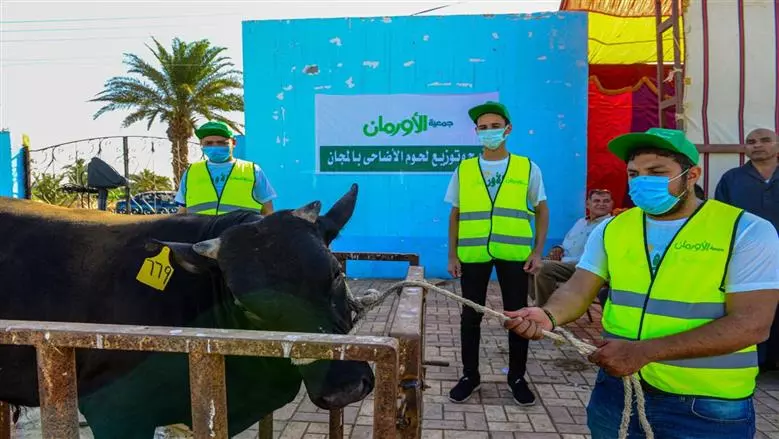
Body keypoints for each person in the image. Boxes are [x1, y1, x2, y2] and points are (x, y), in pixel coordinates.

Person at [504, 127, 779, 438]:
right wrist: (548, 315)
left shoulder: (746, 231)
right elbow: (579, 288)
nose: (642, 181)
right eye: (634, 174)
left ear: (692, 175)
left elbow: (752, 324)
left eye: (657, 172)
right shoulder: (613, 228)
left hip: (706, 404)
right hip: (617, 390)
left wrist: (645, 352)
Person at [444, 100, 549, 406]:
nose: (489, 132)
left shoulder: (527, 167)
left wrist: (538, 251)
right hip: (473, 254)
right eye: (483, 128)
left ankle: (517, 378)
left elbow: (542, 210)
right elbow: (455, 214)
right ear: (476, 132)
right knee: (470, 316)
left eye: (495, 126)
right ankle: (470, 376)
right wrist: (452, 255)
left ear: (508, 129)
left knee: (517, 317)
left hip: (515, 254)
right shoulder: (464, 169)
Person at [715, 128, 779, 371]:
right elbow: (721, 219)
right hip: (747, 257)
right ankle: (755, 362)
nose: (757, 145)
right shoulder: (732, 179)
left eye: (765, 140)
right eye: (751, 142)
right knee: (751, 308)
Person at [175, 121, 276, 216]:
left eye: (222, 142)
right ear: (201, 144)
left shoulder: (253, 170)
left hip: (242, 229)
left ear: (234, 143)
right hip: (201, 229)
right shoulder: (191, 172)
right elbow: (182, 212)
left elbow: (268, 211)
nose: (215, 146)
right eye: (209, 143)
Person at [532, 189, 613, 307]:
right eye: (597, 201)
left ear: (612, 204)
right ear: (588, 204)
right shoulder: (581, 222)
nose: (601, 204)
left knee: (544, 267)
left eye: (606, 201)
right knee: (531, 264)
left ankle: (544, 309)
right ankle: (541, 303)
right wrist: (558, 248)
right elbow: (567, 243)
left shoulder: (611, 225)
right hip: (565, 263)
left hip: (585, 267)